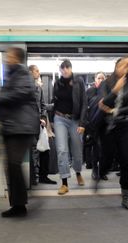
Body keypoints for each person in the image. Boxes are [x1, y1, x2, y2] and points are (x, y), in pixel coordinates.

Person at [0, 47, 39, 217]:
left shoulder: (23, 74)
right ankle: (17, 205)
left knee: (14, 164)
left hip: (21, 128)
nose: (7, 59)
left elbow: (19, 94)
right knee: (10, 166)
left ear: (17, 58)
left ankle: (20, 205)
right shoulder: (12, 76)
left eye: (9, 56)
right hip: (13, 127)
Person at [97, 56, 128, 212]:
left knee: (127, 161)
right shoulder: (106, 83)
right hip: (108, 126)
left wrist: (114, 110)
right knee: (107, 158)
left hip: (126, 125)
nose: (126, 67)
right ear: (116, 66)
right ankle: (101, 171)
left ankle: (126, 197)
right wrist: (114, 91)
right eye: (123, 64)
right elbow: (102, 103)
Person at [52, 60, 87, 195]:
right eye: (63, 68)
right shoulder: (57, 83)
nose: (65, 70)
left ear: (71, 69)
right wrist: (51, 119)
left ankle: (78, 172)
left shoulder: (79, 81)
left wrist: (83, 123)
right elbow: (55, 101)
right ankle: (64, 183)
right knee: (62, 150)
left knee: (77, 150)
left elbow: (84, 103)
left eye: (67, 67)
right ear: (60, 70)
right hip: (60, 118)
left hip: (75, 120)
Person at [28, 65, 56, 185]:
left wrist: (43, 118)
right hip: (30, 124)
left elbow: (43, 106)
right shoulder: (27, 87)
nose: (39, 73)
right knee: (34, 150)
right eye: (36, 71)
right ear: (30, 72)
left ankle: (43, 176)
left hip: (40, 124)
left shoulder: (39, 88)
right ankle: (33, 177)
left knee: (45, 149)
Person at [84, 72, 108, 181]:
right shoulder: (89, 91)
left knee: (104, 148)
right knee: (96, 147)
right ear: (95, 79)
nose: (101, 80)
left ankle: (102, 171)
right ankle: (95, 169)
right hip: (92, 123)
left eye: (103, 78)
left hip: (105, 123)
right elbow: (84, 107)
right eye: (99, 78)